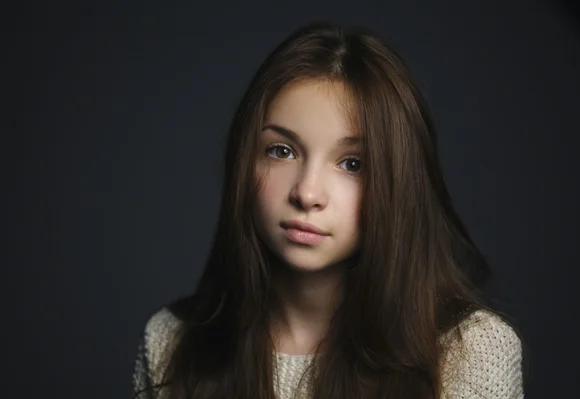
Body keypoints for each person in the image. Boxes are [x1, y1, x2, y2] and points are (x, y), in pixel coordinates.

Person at [132, 21, 524, 399]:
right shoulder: (171, 341)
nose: (307, 193)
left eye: (353, 164)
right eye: (281, 151)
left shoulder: (470, 352)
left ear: (400, 183)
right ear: (243, 163)